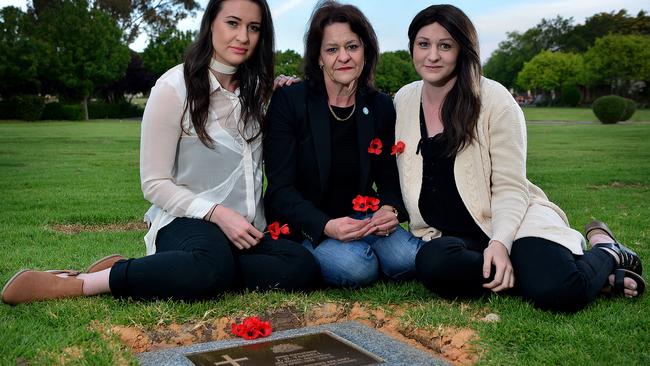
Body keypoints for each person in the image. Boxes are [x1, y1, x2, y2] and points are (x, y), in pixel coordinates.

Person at [2, 0, 318, 305]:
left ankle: (171, 271)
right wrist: (218, 214)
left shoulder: (258, 91)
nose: (243, 37)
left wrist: (281, 90)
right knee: (212, 265)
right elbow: (154, 183)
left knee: (301, 265)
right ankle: (84, 282)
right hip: (188, 221)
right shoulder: (174, 88)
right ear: (210, 24)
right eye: (232, 23)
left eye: (254, 27)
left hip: (246, 230)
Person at [394, 4, 645, 312]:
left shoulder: (495, 99)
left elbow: (510, 186)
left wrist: (500, 243)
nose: (432, 56)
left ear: (462, 50)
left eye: (445, 46)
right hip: (456, 240)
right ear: (412, 47)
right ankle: (545, 273)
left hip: (513, 223)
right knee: (433, 265)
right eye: (423, 44)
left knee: (559, 292)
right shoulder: (403, 100)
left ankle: (607, 249)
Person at [264, 0, 422, 289]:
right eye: (332, 49)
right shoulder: (291, 101)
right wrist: (326, 226)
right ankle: (340, 252)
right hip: (309, 221)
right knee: (357, 268)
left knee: (408, 260)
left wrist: (389, 209)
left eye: (352, 46)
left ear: (366, 51)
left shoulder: (380, 106)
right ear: (319, 57)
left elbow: (388, 173)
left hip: (362, 215)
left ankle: (369, 251)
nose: (344, 57)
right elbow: (280, 189)